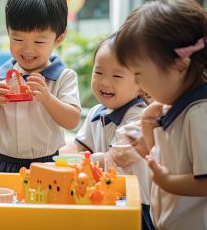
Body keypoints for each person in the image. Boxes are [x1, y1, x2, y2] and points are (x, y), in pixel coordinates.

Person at [115, 0, 207, 230]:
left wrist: (168, 182)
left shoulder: (202, 115)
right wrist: (147, 128)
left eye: (139, 73)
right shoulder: (178, 108)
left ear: (179, 65)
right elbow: (171, 161)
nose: (137, 83)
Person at [0, 0, 81, 173]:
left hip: (47, 164)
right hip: (2, 162)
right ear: (8, 33)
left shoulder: (64, 77)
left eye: (39, 41)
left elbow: (72, 121)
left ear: (59, 38)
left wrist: (47, 98)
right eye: (18, 39)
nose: (28, 49)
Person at [60, 34, 152, 230]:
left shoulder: (140, 118)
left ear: (140, 84)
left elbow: (114, 158)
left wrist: (76, 161)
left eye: (117, 76)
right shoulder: (96, 112)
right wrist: (55, 155)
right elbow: (78, 146)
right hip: (106, 198)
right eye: (99, 72)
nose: (104, 82)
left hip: (136, 205)